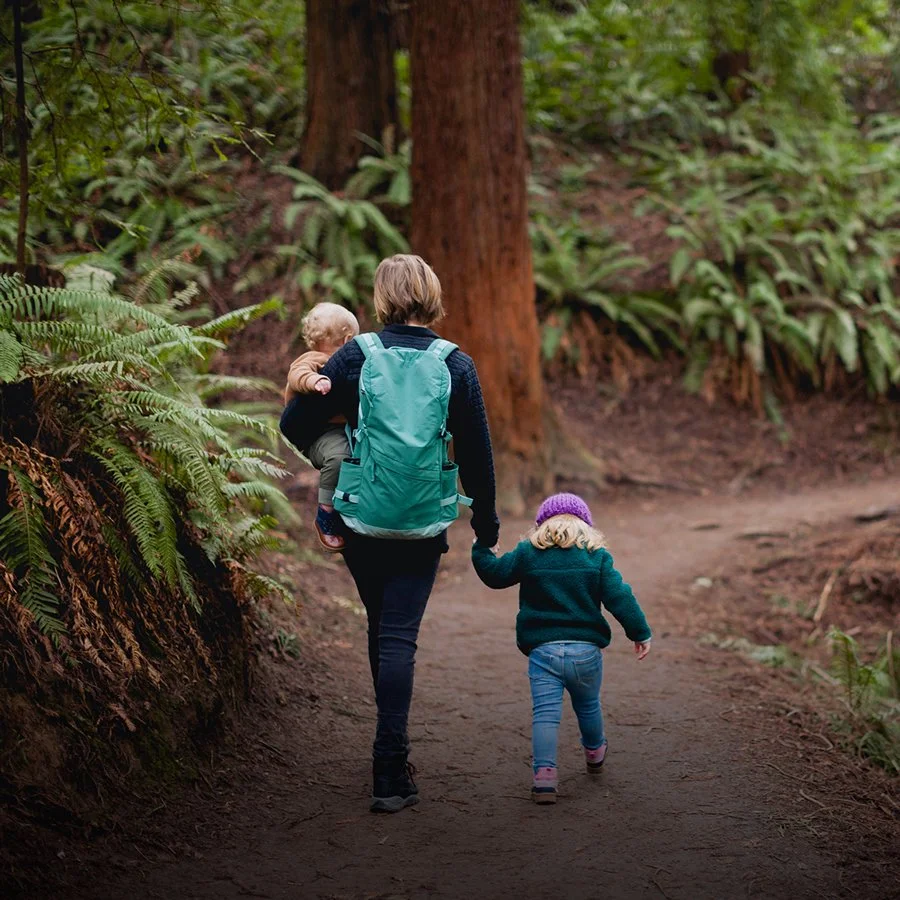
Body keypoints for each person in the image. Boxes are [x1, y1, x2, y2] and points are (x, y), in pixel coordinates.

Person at [280, 254, 499, 813]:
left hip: (363, 516)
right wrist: (487, 524)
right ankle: (389, 764)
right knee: (399, 634)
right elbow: (476, 451)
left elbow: (293, 423)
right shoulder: (457, 365)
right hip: (423, 519)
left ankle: (389, 758)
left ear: (380, 301)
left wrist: (335, 442)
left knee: (382, 627)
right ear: (432, 296)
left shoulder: (357, 355)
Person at [471, 493, 651, 805]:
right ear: (586, 525)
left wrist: (482, 549)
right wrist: (639, 632)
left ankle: (544, 777)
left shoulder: (529, 552)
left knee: (545, 715)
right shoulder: (596, 556)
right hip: (586, 652)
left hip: (543, 651)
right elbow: (619, 596)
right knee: (588, 705)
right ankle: (595, 753)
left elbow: (495, 575)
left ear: (542, 524)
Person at [283, 302, 360, 552]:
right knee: (339, 458)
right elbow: (297, 374)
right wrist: (315, 381)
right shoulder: (313, 360)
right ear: (348, 339)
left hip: (342, 429)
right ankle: (326, 513)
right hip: (320, 433)